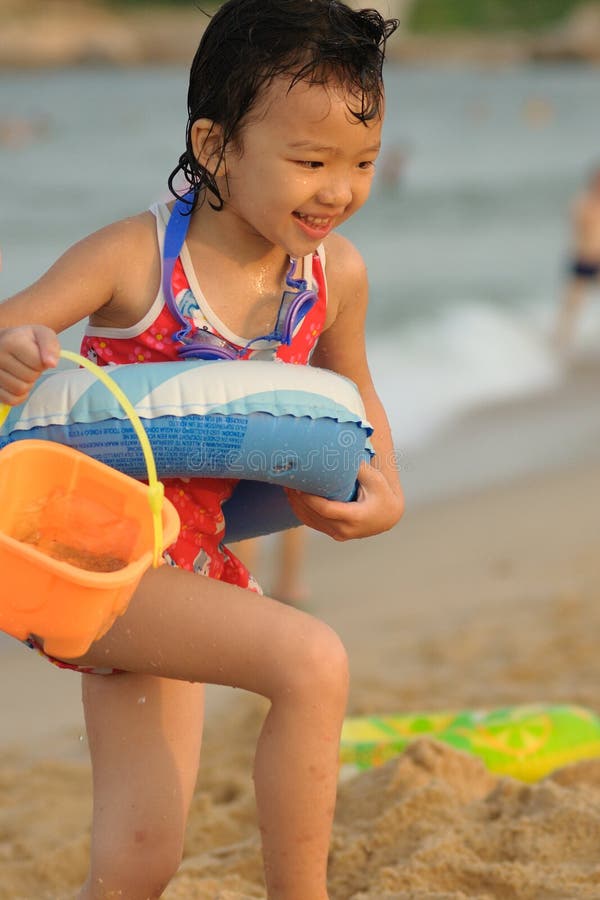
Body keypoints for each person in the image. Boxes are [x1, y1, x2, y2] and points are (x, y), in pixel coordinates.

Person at [0, 2, 403, 897]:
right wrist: (19, 351)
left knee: (142, 855)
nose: (339, 190)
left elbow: (354, 399)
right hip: (95, 557)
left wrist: (387, 493)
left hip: (189, 566)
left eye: (363, 163)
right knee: (310, 661)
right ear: (215, 146)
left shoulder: (335, 276)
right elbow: (15, 324)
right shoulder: (135, 259)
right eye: (310, 162)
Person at [555, 164, 600, 352]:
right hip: (583, 259)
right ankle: (561, 345)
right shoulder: (582, 203)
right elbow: (576, 231)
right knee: (572, 307)